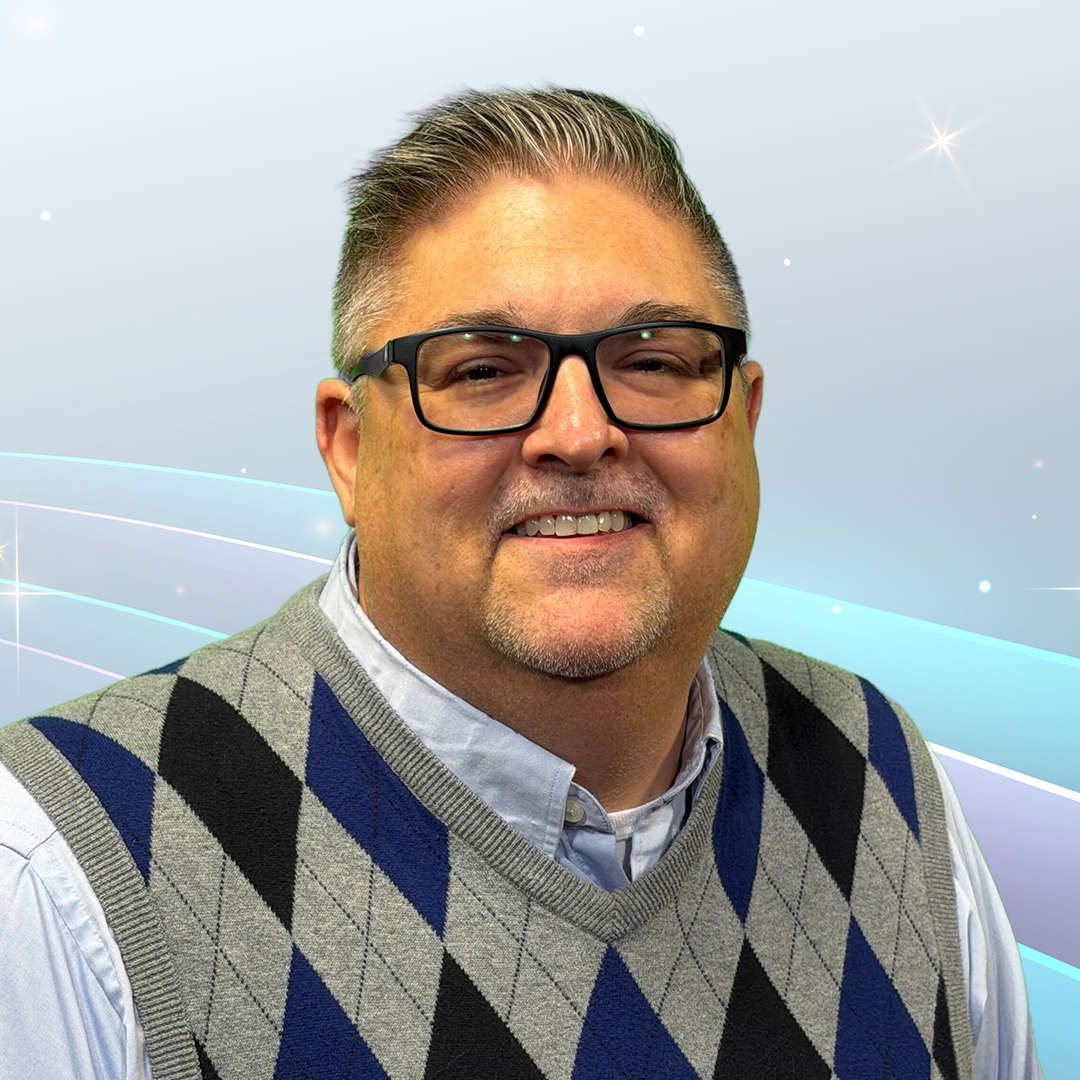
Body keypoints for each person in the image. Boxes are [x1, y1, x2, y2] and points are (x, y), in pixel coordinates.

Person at [0, 86, 1042, 1080]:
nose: (580, 434)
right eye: (483, 371)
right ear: (349, 449)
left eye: (653, 361)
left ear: (744, 416)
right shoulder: (65, 865)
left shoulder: (880, 781)